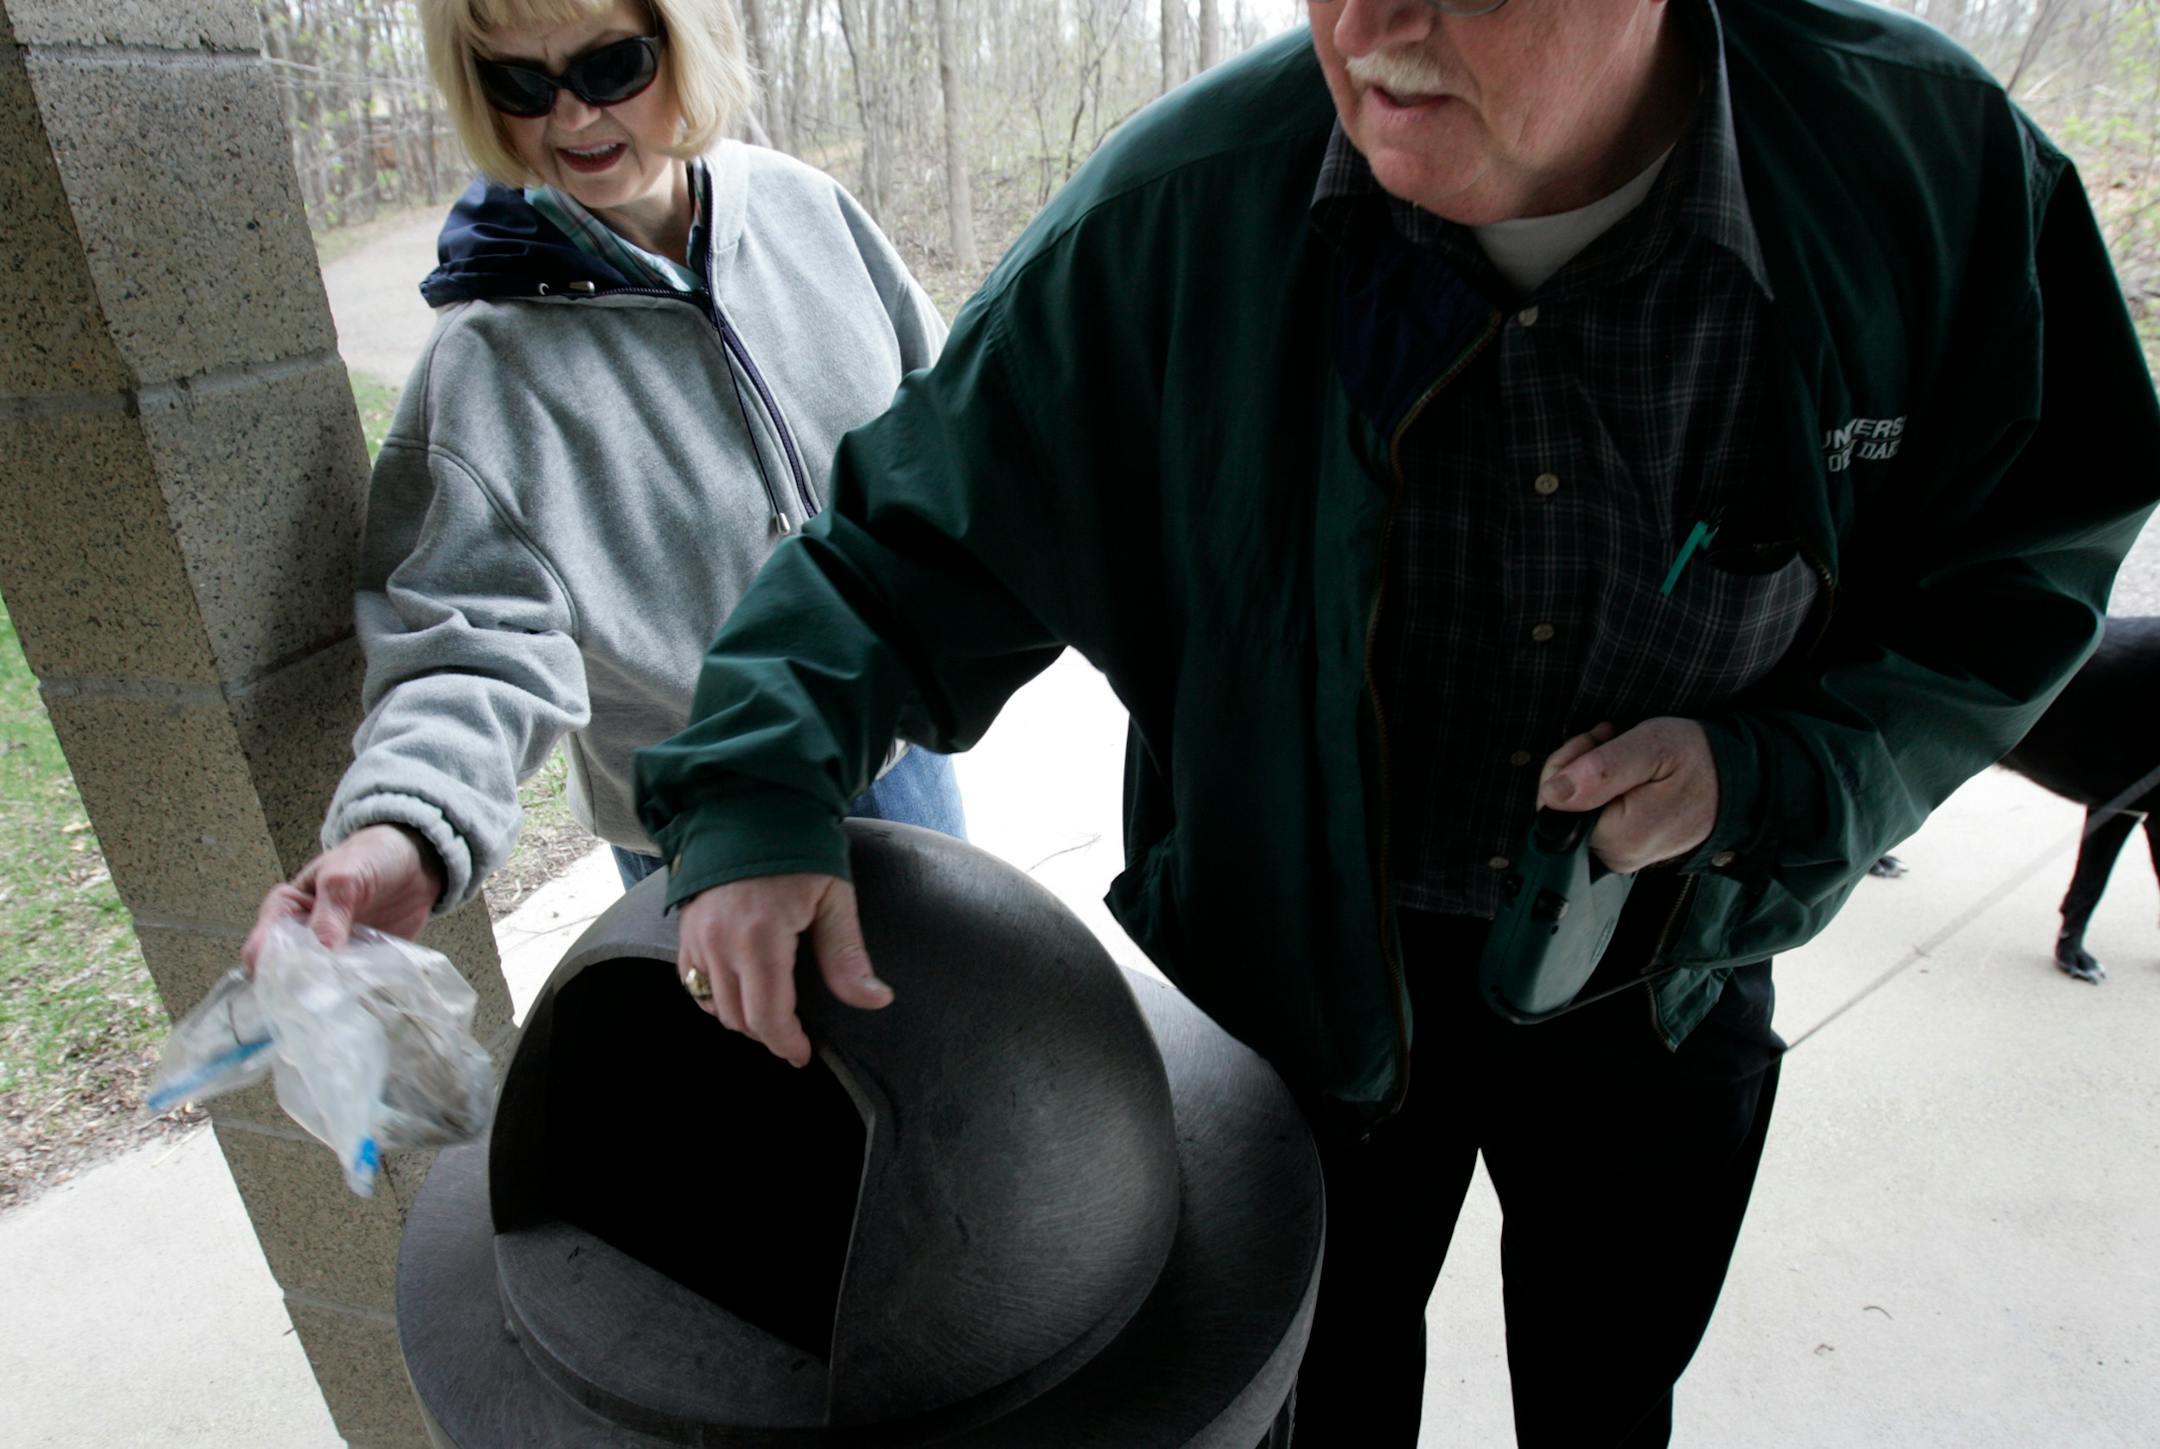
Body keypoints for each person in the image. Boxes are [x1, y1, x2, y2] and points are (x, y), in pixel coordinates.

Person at [635, 0, 2160, 1443]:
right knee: (1314, 1388)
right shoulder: (1181, 217)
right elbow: (901, 556)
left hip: (1670, 962)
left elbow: (2026, 558)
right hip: (1294, 984)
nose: (1369, 29)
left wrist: (1784, 772)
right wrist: (759, 786)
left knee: (1610, 1382)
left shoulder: (1922, 172)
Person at [244, 0, 963, 965]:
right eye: (520, 83)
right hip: (707, 838)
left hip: (898, 756)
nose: (573, 116)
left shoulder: (809, 212)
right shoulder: (490, 363)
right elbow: (469, 646)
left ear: (687, 42)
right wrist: (406, 824)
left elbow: (946, 431)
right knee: (783, 1064)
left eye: (612, 65)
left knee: (960, 1029)